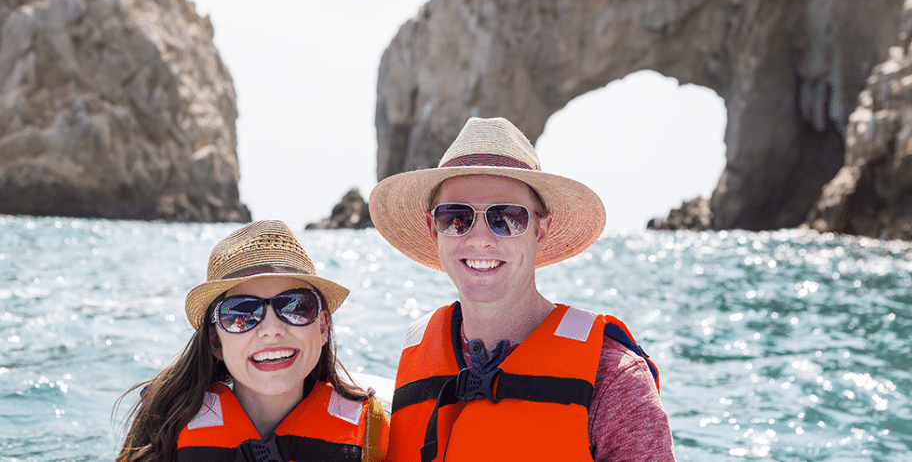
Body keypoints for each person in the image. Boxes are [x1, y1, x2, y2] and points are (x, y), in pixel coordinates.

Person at [369, 117, 674, 461]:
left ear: (541, 231)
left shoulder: (615, 376)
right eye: (456, 217)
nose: (480, 238)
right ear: (433, 230)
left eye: (506, 218)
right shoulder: (413, 356)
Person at [116, 220, 389, 462]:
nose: (271, 330)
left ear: (322, 327)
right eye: (242, 313)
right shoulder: (165, 423)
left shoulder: (369, 431)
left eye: (295, 307)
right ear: (215, 341)